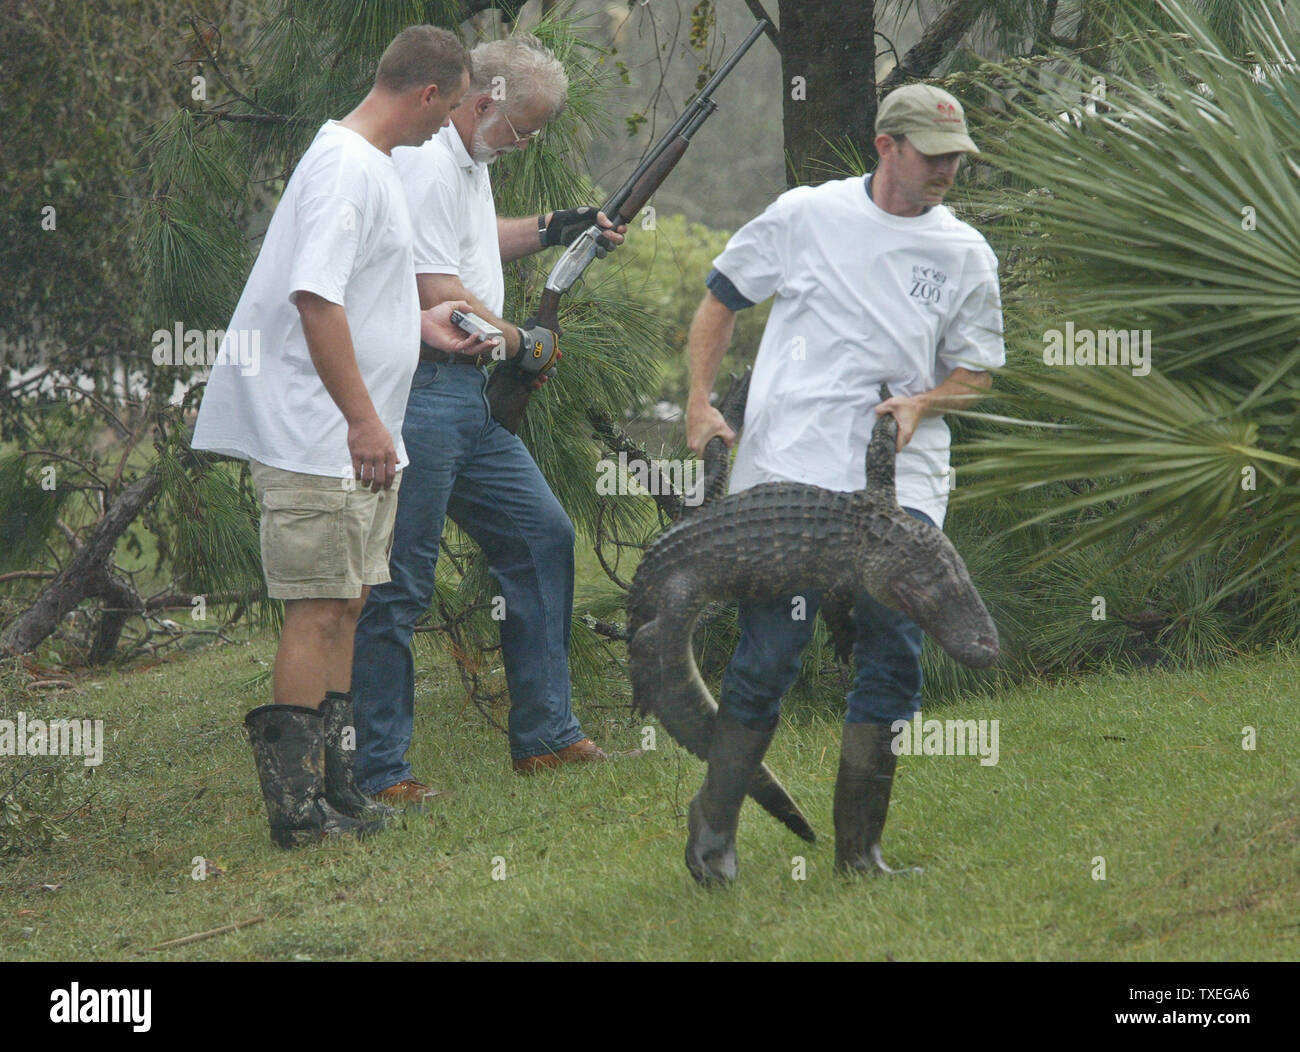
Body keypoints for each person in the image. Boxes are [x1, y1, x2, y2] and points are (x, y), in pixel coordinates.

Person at [681, 83, 1005, 884]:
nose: (946, 173)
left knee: (892, 651)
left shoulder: (965, 253)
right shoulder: (805, 216)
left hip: (901, 485)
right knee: (770, 653)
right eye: (933, 158)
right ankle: (714, 822)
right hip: (791, 475)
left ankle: (861, 853)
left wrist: (926, 401)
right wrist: (697, 404)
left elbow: (978, 372)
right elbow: (720, 301)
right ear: (887, 146)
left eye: (956, 160)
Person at [191, 26, 498, 848]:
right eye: (452, 105)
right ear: (428, 93)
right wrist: (363, 418)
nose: (448, 125)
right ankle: (296, 815)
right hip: (318, 433)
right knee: (317, 610)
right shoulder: (344, 168)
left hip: (365, 436)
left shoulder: (375, 167)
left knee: (352, 602)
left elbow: (359, 293)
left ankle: (337, 792)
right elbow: (315, 300)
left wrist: (418, 320)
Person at [350, 34, 629, 805]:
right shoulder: (427, 164)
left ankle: (545, 736)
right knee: (398, 583)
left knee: (542, 535)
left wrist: (558, 226)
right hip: (424, 390)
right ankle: (379, 771)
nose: (524, 142)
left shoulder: (467, 162)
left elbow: (472, 248)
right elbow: (437, 288)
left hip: (465, 400)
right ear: (482, 102)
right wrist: (523, 344)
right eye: (520, 127)